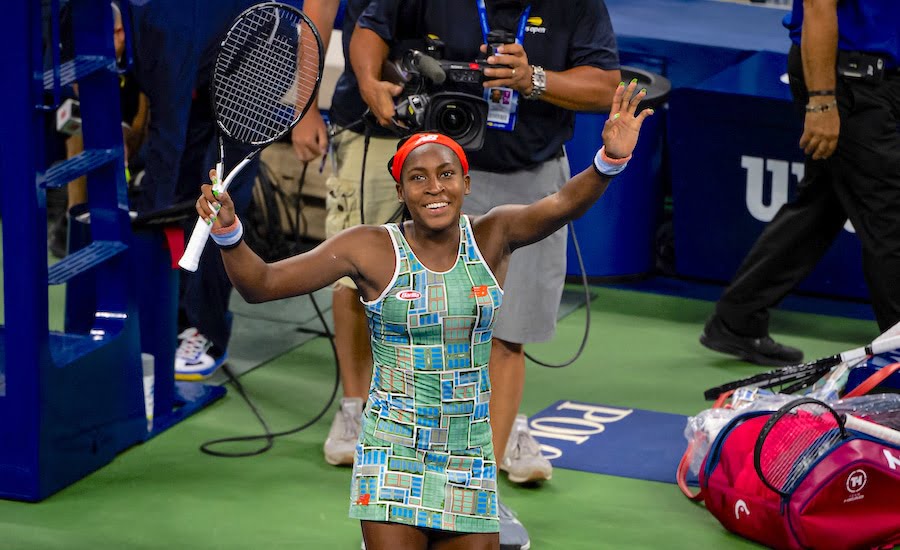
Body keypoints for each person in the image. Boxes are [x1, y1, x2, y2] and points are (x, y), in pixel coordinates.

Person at [195, 81, 651, 550]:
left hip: (469, 454)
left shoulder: (494, 234)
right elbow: (262, 285)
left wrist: (608, 160)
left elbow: (560, 205)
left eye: (446, 174)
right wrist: (229, 232)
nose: (434, 186)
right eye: (419, 177)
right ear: (401, 189)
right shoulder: (369, 248)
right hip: (393, 454)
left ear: (465, 183)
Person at [349, 1, 621, 546]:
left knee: (506, 337)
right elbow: (369, 30)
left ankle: (479, 492)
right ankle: (397, 489)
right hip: (438, 184)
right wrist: (370, 83)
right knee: (412, 333)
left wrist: (534, 79)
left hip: (529, 182)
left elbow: (605, 86)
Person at [700, 0, 900, 367]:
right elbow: (818, 6)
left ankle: (738, 318)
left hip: (878, 78)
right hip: (848, 81)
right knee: (891, 218)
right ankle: (897, 351)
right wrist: (822, 102)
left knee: (822, 205)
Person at [290, 0, 407, 472]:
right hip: (365, 129)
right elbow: (314, 22)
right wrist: (303, 111)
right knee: (352, 276)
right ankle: (355, 408)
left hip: (455, 129)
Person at [128, 0, 261, 380]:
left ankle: (203, 328)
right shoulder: (143, 25)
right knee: (176, 183)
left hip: (254, 49)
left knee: (220, 194)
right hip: (193, 45)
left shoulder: (162, 31)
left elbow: (165, 150)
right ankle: (163, 316)